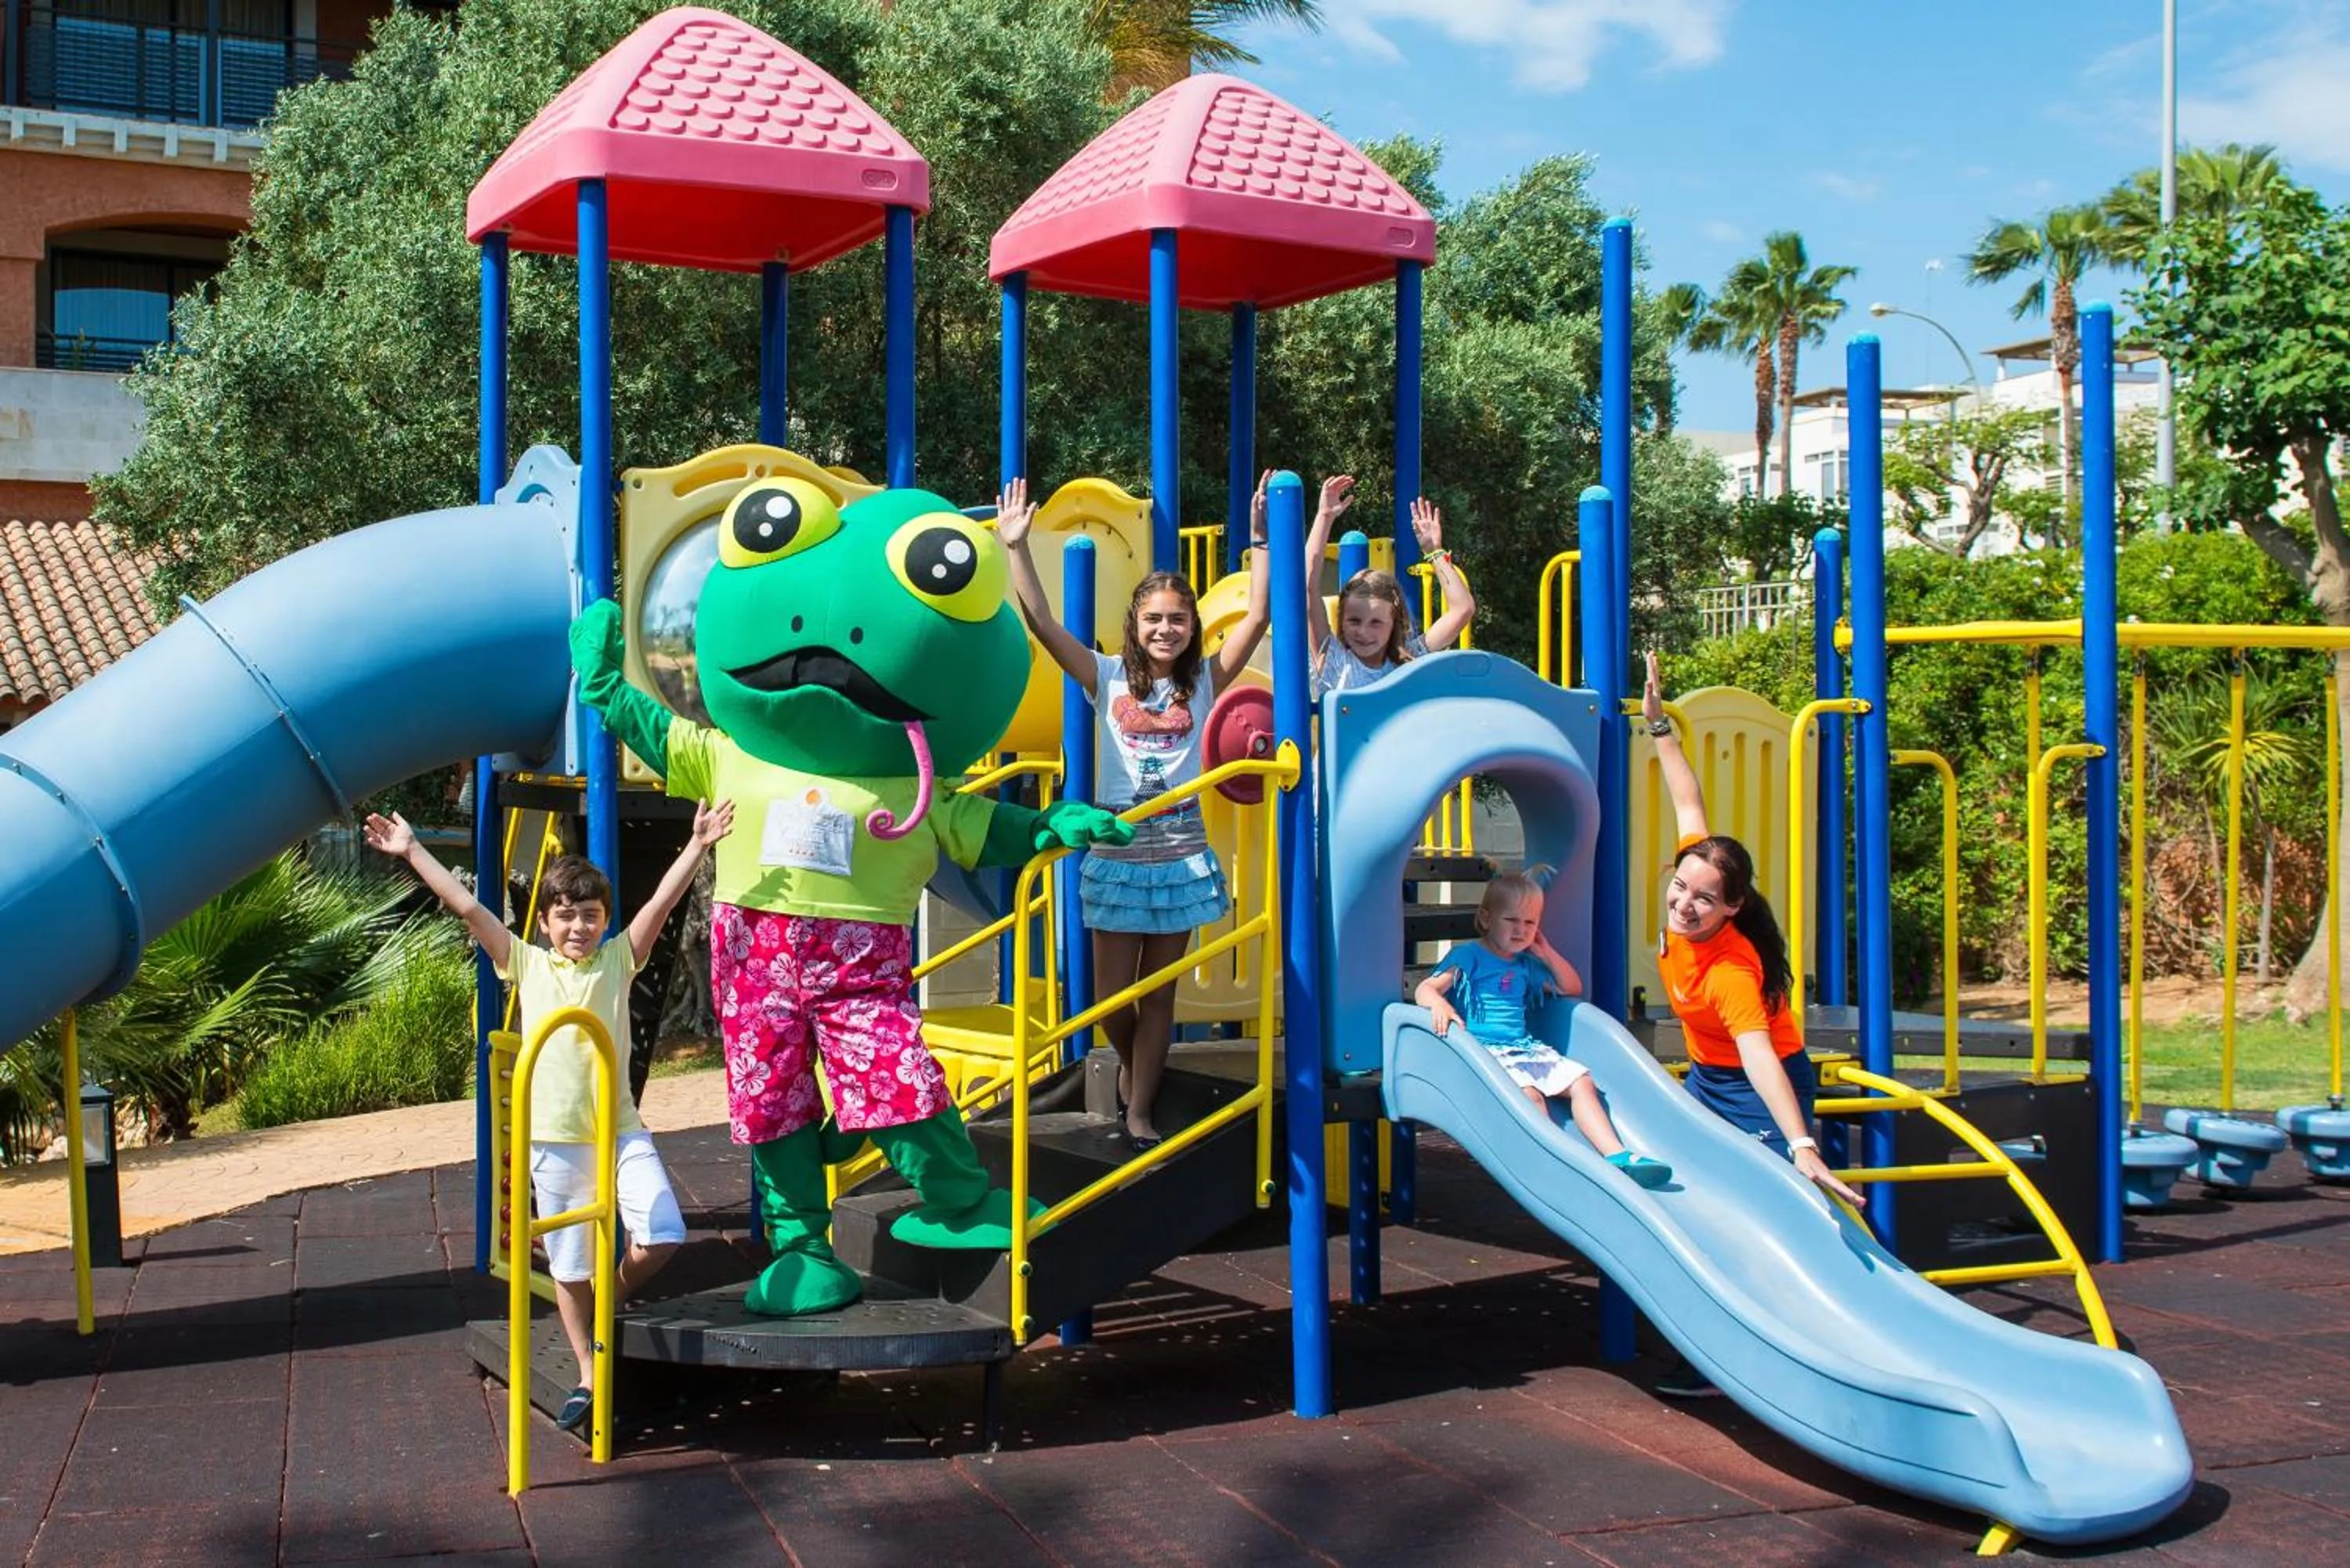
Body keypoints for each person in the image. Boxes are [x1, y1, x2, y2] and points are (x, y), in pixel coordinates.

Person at [363, 801, 732, 1432]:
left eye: (591, 916)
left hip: (618, 1130)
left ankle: (610, 1299)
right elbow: (468, 908)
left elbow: (661, 908)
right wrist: (413, 850)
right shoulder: (526, 964)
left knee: (664, 1232)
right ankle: (589, 1376)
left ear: (604, 920)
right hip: (555, 1142)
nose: (579, 927)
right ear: (544, 922)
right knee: (567, 1265)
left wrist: (697, 846)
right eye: (566, 916)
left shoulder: (619, 962)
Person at [997, 475, 1271, 1149]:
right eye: (1154, 619)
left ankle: (1140, 1109)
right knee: (1110, 999)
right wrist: (1017, 548)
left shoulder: (1204, 679)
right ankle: (1128, 1067)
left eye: (1178, 619)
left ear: (1191, 627)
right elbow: (1042, 623)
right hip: (1120, 847)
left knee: (1160, 997)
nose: (1167, 629)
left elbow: (1259, 616)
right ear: (1135, 624)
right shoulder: (1106, 677)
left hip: (1178, 852)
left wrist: (1260, 538)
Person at [1640, 651, 1864, 1396]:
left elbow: (1762, 1057)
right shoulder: (1689, 897)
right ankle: (1725, 1343)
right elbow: (1690, 808)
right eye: (1682, 887)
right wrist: (1659, 729)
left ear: (1733, 907)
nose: (1685, 903)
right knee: (1703, 1204)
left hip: (1760, 1085)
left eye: (1704, 898)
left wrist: (1800, 1141)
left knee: (1770, 1212)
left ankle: (1808, 1337)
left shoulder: (1733, 969)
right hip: (1711, 1078)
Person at [1416, 869, 1672, 1187]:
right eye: (1512, 921)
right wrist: (1440, 1004)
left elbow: (1571, 986)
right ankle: (1553, 1160)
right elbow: (1425, 989)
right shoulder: (1469, 956)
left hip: (1523, 1049)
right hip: (1485, 1053)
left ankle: (1616, 1154)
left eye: (1530, 923)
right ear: (1486, 918)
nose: (1521, 930)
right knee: (1531, 1097)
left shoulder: (1526, 965)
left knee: (1582, 1083)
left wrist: (1546, 953)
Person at [1299, 475, 1476, 695]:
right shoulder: (1335, 660)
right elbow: (1306, 587)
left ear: (1394, 622)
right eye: (1354, 620)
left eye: (1376, 623)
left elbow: (1462, 610)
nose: (1363, 632)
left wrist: (1434, 551)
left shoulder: (1408, 660)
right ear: (1342, 620)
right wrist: (1325, 517)